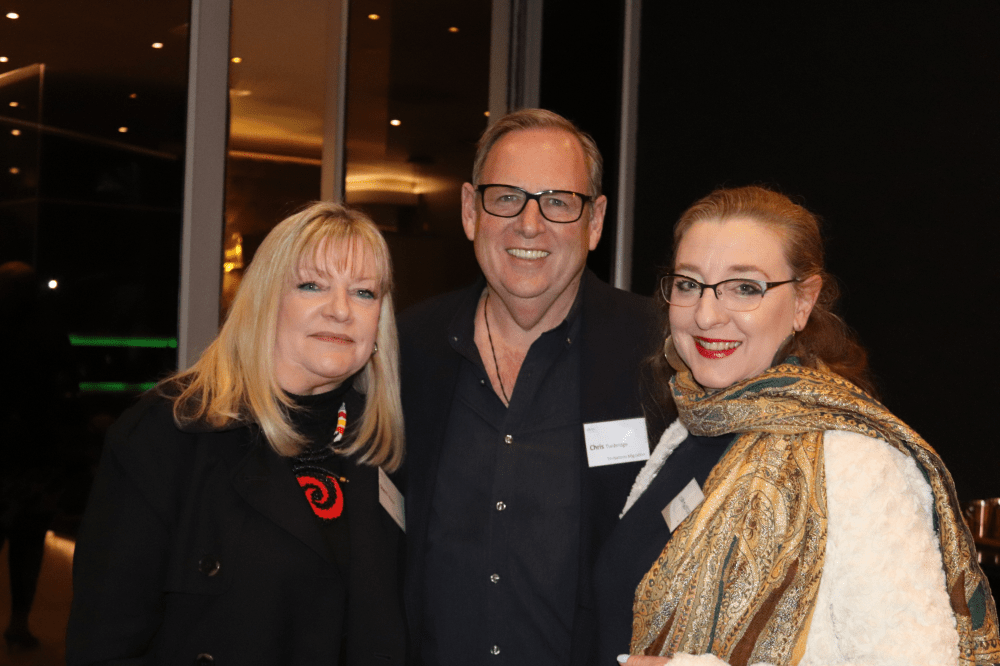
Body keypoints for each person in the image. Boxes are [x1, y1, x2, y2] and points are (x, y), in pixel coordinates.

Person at [604, 186, 1000, 666]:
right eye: (689, 284)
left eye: (744, 287)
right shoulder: (689, 428)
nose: (706, 315)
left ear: (802, 302)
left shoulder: (857, 466)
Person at [66, 202, 406, 665]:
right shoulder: (168, 433)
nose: (341, 310)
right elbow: (104, 644)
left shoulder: (385, 444)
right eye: (312, 285)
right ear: (264, 299)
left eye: (364, 292)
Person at [399, 108, 669, 665]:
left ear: (595, 222)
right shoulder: (408, 349)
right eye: (506, 198)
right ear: (471, 210)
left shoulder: (660, 353)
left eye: (558, 202)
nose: (529, 224)